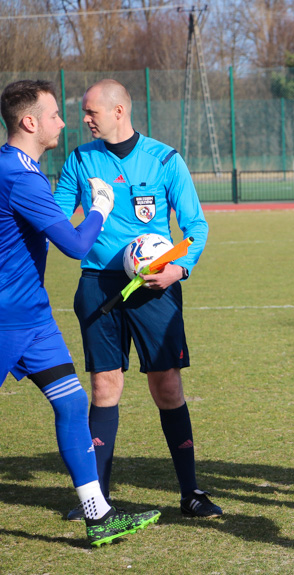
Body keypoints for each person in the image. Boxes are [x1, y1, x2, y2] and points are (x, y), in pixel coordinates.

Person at [0, 79, 161, 546]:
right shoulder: (19, 176)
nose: (63, 122)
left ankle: (98, 514)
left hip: (35, 319)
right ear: (30, 122)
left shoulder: (23, 170)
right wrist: (102, 208)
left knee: (71, 403)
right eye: (54, 115)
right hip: (7, 320)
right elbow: (74, 245)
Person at [53, 79, 219, 520]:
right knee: (104, 386)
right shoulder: (79, 159)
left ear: (119, 111)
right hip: (97, 285)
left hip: (156, 288)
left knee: (167, 386)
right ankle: (96, 498)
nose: (84, 119)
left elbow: (196, 226)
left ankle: (191, 492)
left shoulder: (165, 159)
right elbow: (56, 217)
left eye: (91, 112)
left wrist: (179, 268)